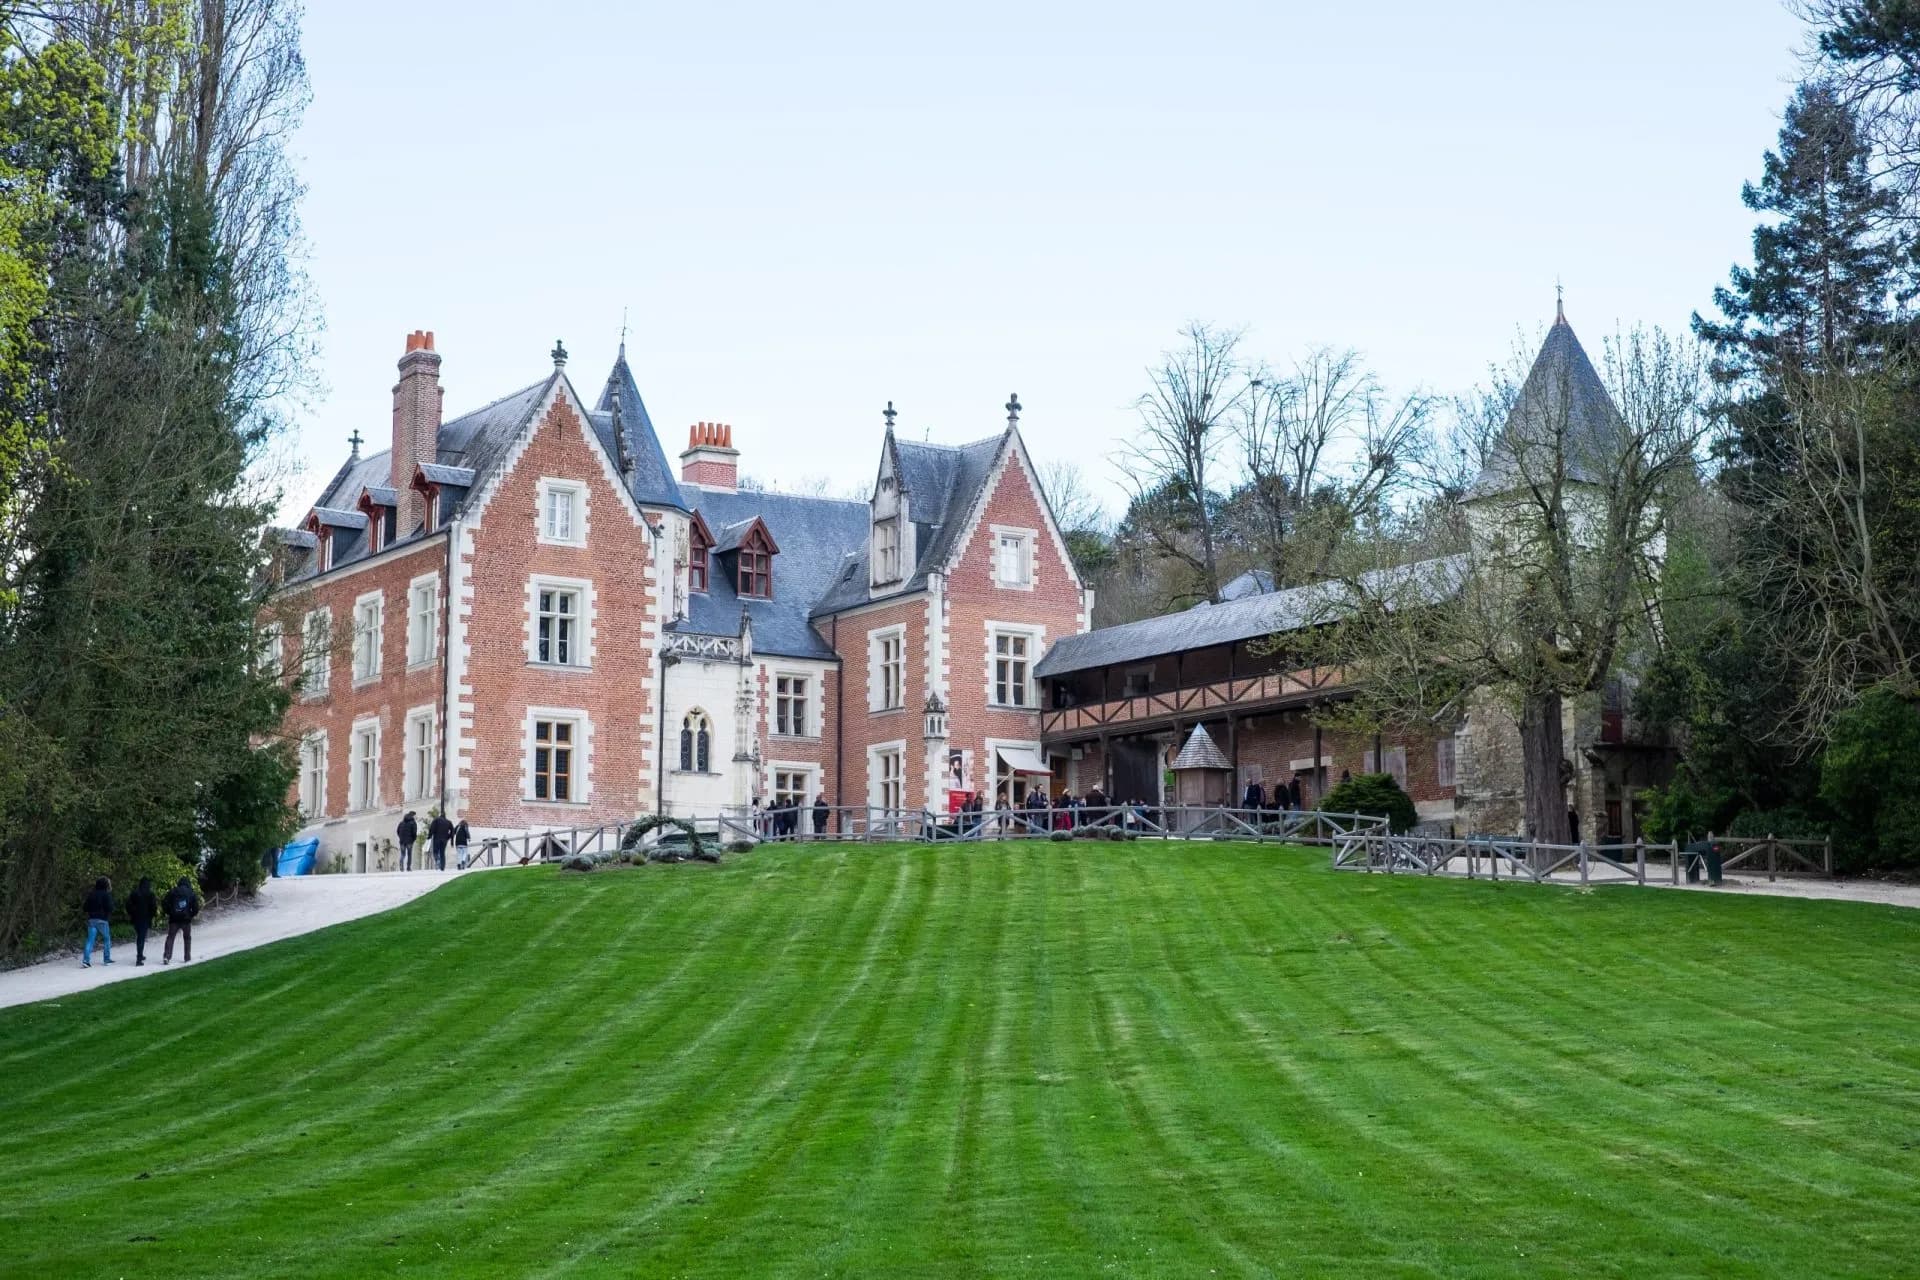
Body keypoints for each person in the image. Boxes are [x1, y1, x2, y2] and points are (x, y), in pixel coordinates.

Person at [162, 876, 199, 965]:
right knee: (187, 938)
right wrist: (191, 915)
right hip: (186, 919)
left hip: (174, 919)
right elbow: (196, 907)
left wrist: (169, 912)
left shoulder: (173, 891)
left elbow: (164, 903)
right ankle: (187, 957)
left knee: (170, 937)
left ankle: (167, 956)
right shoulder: (191, 892)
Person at [80, 877, 115, 968]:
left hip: (92, 920)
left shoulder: (91, 894)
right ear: (106, 885)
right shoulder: (106, 895)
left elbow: (85, 907)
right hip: (102, 920)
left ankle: (86, 960)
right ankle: (106, 959)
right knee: (107, 939)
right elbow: (110, 907)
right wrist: (106, 914)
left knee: (90, 940)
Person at [127, 876, 159, 966]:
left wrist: (132, 913)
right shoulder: (150, 894)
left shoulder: (134, 893)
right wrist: (152, 915)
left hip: (135, 917)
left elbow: (128, 905)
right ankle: (139, 958)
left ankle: (140, 955)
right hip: (145, 918)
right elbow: (153, 907)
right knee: (141, 937)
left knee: (140, 936)